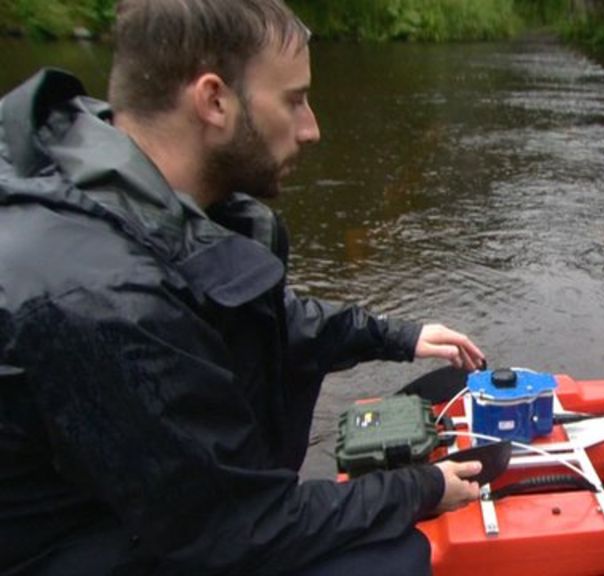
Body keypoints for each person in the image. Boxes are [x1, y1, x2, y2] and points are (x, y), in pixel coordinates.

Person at [0, 0, 488, 574]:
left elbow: (255, 315)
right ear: (213, 101)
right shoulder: (106, 296)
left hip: (140, 514)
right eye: (294, 99)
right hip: (86, 550)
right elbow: (237, 528)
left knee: (448, 380)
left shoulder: (117, 188)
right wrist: (422, 488)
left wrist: (398, 336)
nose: (312, 128)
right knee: (399, 556)